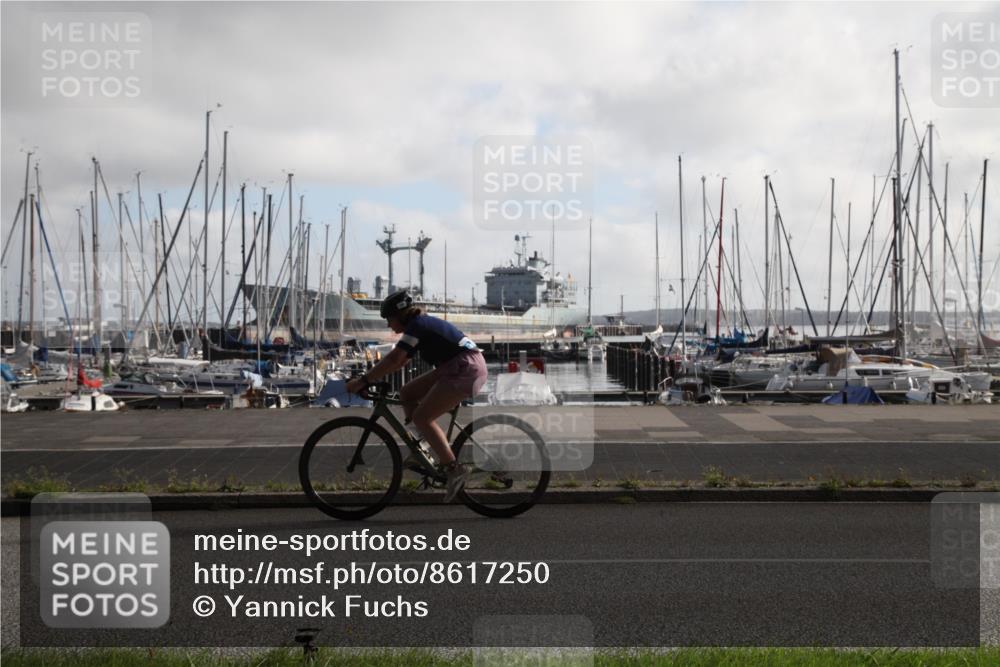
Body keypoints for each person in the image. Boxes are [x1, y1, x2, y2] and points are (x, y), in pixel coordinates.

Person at [345, 290, 488, 502]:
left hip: (466, 369)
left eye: (389, 320)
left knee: (422, 417)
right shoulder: (419, 326)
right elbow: (401, 361)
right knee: (407, 392)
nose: (388, 325)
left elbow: (394, 359)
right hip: (455, 366)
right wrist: (374, 377)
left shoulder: (418, 326)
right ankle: (422, 449)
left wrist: (364, 381)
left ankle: (453, 469)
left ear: (399, 315)